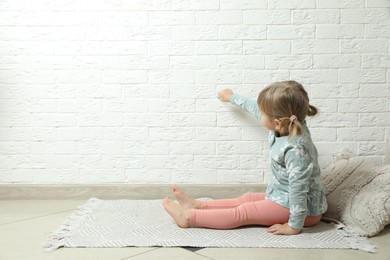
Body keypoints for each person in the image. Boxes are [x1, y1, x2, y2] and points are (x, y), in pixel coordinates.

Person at [163, 80, 328, 235]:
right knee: (247, 198)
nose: (259, 114)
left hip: (301, 209)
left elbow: (298, 189)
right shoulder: (288, 124)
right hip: (281, 195)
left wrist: (294, 225)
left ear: (277, 123)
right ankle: (198, 205)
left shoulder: (296, 149)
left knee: (243, 212)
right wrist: (232, 97)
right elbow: (255, 108)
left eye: (263, 113)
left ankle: (189, 217)